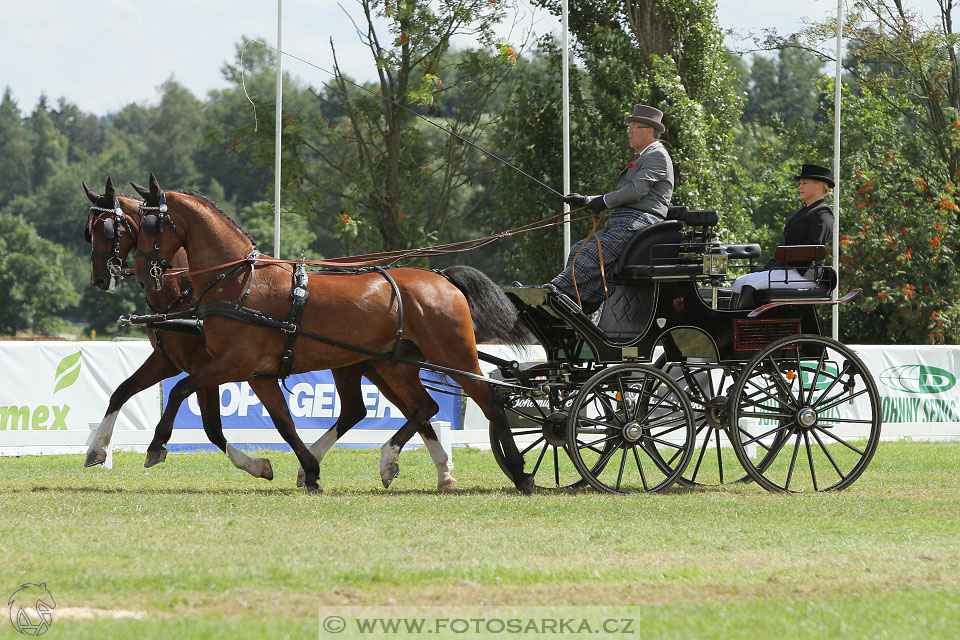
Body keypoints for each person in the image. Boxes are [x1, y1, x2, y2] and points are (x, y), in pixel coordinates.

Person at [548, 104, 674, 314]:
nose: (630, 131)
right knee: (578, 248)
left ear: (650, 130)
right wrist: (587, 200)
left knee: (589, 254)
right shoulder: (645, 155)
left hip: (639, 223)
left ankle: (556, 291)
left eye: (635, 126)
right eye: (629, 127)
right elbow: (626, 193)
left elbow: (636, 190)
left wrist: (603, 201)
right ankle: (583, 300)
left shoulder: (658, 155)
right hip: (623, 221)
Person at [731, 163, 835, 305]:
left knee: (749, 283)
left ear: (819, 186)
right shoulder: (806, 210)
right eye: (800, 183)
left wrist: (784, 256)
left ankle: (742, 324)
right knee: (740, 281)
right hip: (789, 270)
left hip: (805, 274)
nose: (800, 187)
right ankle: (733, 323)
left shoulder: (823, 213)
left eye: (804, 183)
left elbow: (814, 248)